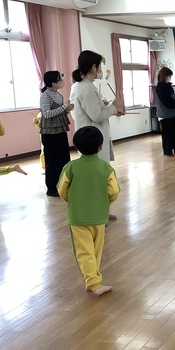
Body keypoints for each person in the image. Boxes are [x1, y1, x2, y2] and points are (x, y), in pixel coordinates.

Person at [57, 126, 120, 297]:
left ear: (76, 146)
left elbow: (62, 190)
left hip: (78, 217)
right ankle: (92, 281)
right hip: (99, 216)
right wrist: (105, 203)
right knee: (96, 250)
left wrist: (72, 201)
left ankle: (92, 281)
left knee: (84, 251)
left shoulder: (70, 167)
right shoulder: (105, 167)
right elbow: (114, 191)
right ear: (100, 146)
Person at [72, 50, 123, 164]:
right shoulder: (86, 88)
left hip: (91, 135)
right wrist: (114, 106)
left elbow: (95, 111)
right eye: (100, 66)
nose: (101, 69)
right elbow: (97, 116)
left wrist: (113, 110)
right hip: (91, 137)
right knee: (97, 168)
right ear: (94, 67)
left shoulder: (85, 85)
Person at [40, 71, 72, 197]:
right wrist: (64, 107)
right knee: (53, 160)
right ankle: (52, 188)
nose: (62, 81)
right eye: (60, 79)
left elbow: (60, 113)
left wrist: (67, 109)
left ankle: (64, 185)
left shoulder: (59, 95)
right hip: (50, 132)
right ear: (53, 83)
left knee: (64, 158)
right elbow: (47, 114)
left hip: (60, 130)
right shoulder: (45, 96)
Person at [155, 67, 175, 156]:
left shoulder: (168, 86)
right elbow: (167, 101)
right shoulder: (160, 87)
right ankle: (168, 151)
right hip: (165, 114)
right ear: (164, 76)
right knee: (167, 134)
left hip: (171, 114)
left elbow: (173, 97)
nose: (169, 78)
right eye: (168, 76)